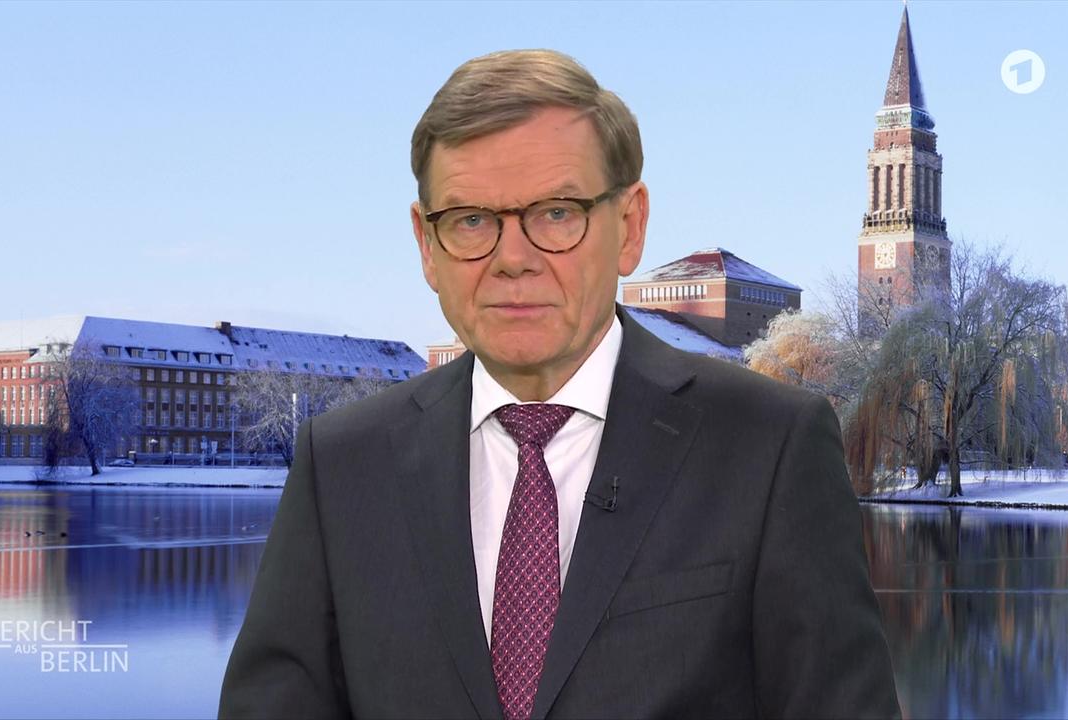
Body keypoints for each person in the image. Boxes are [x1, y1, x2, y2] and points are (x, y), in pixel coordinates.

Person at [220, 49, 900, 719]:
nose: (513, 259)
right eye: (471, 220)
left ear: (629, 227)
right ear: (427, 246)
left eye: (555, 213)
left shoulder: (770, 447)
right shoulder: (342, 463)